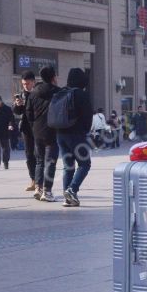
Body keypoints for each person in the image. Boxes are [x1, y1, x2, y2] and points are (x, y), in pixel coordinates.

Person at [57, 68, 94, 206]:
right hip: (76, 134)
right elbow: (87, 116)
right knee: (85, 164)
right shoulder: (81, 94)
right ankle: (72, 189)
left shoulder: (61, 92)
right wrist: (84, 131)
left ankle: (68, 199)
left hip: (60, 134)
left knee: (68, 167)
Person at [26, 66, 61, 202]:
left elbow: (28, 113)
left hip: (37, 131)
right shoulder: (59, 92)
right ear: (53, 78)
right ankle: (47, 191)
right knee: (50, 161)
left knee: (40, 161)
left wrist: (34, 126)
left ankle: (38, 188)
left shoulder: (33, 93)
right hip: (53, 130)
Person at [13, 71, 37, 192]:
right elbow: (17, 112)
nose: (26, 86)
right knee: (29, 155)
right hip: (26, 129)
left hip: (38, 128)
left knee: (39, 155)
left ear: (33, 82)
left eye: (27, 83)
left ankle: (40, 181)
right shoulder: (22, 95)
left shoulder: (38, 94)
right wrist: (17, 105)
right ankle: (33, 180)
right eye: (23, 84)